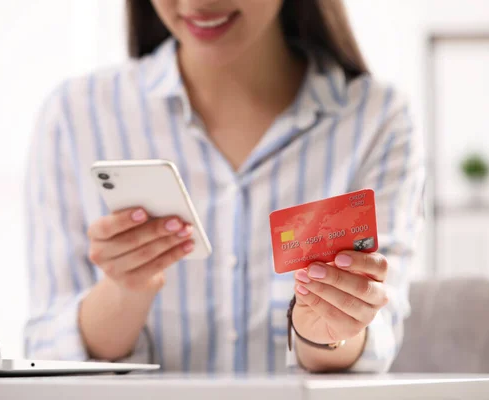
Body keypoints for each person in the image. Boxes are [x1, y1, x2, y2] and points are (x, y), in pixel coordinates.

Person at [23, 0, 425, 374]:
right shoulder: (77, 115)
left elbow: (378, 331)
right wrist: (124, 292)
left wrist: (325, 328)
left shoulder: (378, 121)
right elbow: (46, 348)